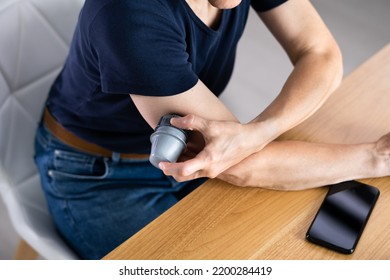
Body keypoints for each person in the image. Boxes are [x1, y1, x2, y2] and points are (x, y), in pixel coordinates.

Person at [34, 0, 390, 259]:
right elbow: (239, 165)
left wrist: (263, 130)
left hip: (181, 154)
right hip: (100, 175)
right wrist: (376, 158)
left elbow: (320, 52)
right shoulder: (129, 14)